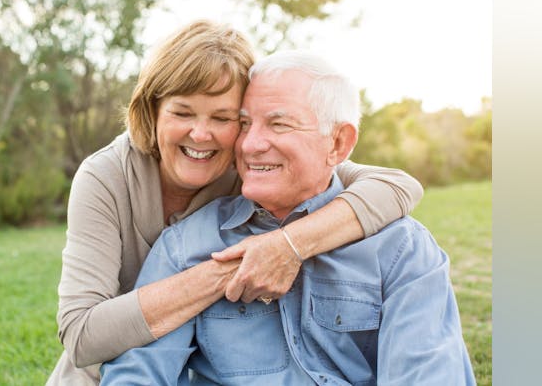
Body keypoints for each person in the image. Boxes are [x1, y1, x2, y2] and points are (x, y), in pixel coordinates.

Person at [46, 21, 424, 385]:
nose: (201, 133)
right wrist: (240, 266)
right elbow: (82, 335)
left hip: (204, 354)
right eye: (182, 112)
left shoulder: (253, 166)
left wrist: (288, 245)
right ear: (153, 110)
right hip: (108, 364)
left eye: (224, 118)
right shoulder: (106, 177)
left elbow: (396, 185)